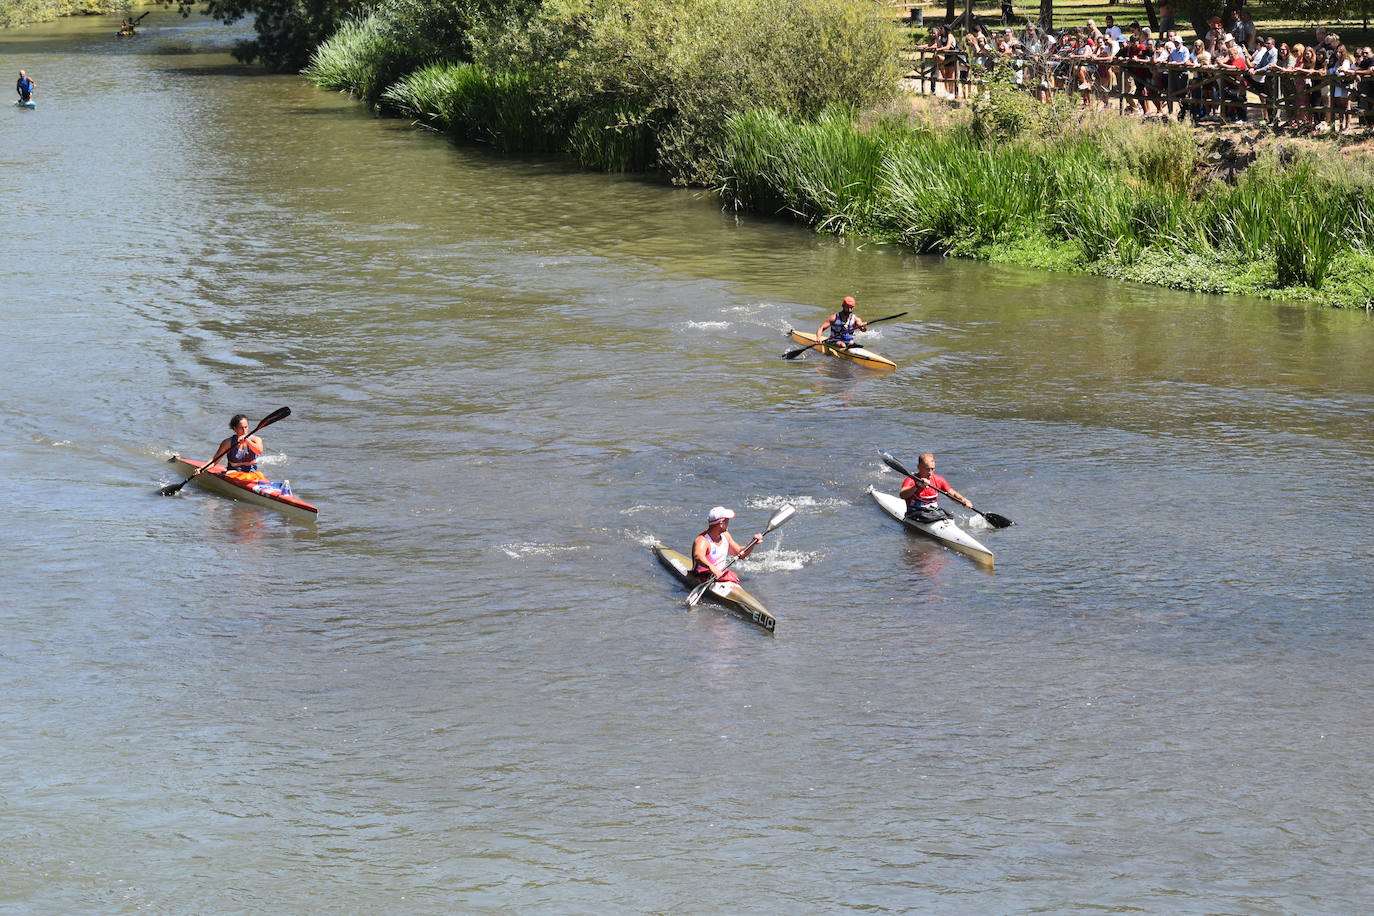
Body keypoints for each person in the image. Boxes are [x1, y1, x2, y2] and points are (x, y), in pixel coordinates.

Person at [690, 507, 762, 585]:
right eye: (727, 520)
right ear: (721, 524)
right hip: (702, 575)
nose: (728, 523)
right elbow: (698, 556)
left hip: (720, 574)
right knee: (730, 576)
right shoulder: (702, 540)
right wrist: (711, 567)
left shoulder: (725, 535)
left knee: (732, 576)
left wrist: (752, 543)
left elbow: (740, 553)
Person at [899, 453, 973, 524]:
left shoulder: (939, 480)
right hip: (914, 513)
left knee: (949, 515)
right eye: (927, 469)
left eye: (932, 469)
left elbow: (952, 493)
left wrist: (963, 500)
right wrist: (917, 486)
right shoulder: (911, 480)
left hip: (932, 513)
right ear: (919, 467)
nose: (930, 472)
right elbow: (902, 495)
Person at [216, 413, 267, 482]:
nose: (244, 430)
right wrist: (202, 469)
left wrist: (247, 441)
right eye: (241, 428)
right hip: (233, 473)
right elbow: (215, 461)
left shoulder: (256, 440)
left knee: (260, 476)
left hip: (251, 474)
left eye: (246, 427)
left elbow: (259, 451)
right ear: (235, 428)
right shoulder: (227, 443)